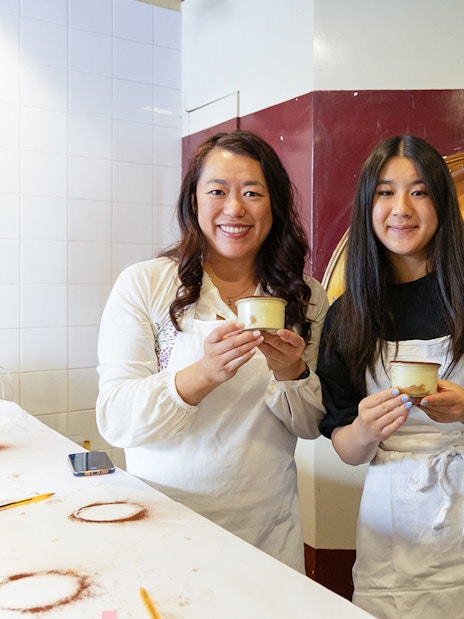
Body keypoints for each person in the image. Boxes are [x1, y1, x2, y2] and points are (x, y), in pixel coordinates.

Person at [96, 130, 328, 572]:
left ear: (274, 205)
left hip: (267, 532)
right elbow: (115, 419)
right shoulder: (144, 284)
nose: (234, 208)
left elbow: (311, 424)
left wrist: (292, 373)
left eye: (253, 193)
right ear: (194, 202)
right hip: (164, 527)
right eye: (218, 191)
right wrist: (202, 374)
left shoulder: (306, 297)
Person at [317, 135, 464, 618]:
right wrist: (363, 429)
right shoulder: (347, 314)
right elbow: (346, 447)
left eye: (419, 191)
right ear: (368, 205)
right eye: (385, 192)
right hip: (392, 519)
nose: (402, 208)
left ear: (442, 202)